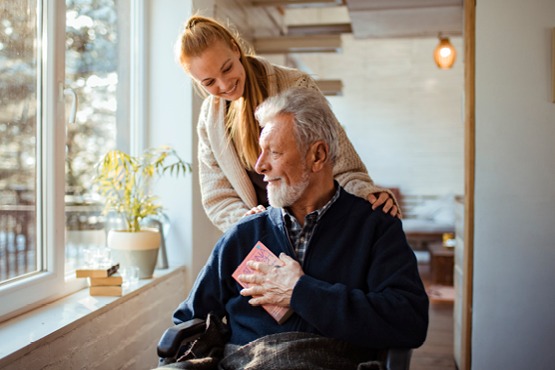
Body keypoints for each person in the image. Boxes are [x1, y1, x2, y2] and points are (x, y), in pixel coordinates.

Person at [169, 88, 428, 368]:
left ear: (317, 156)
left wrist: (301, 292)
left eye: (275, 152)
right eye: (261, 152)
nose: (260, 166)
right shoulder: (244, 235)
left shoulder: (375, 228)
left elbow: (409, 321)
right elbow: (188, 320)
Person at [176, 15, 401, 232]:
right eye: (209, 82)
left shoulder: (295, 85)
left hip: (319, 224)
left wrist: (367, 193)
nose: (224, 84)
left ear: (236, 48)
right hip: (262, 235)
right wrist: (246, 223)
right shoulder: (209, 120)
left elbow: (339, 160)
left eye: (227, 68)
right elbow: (218, 196)